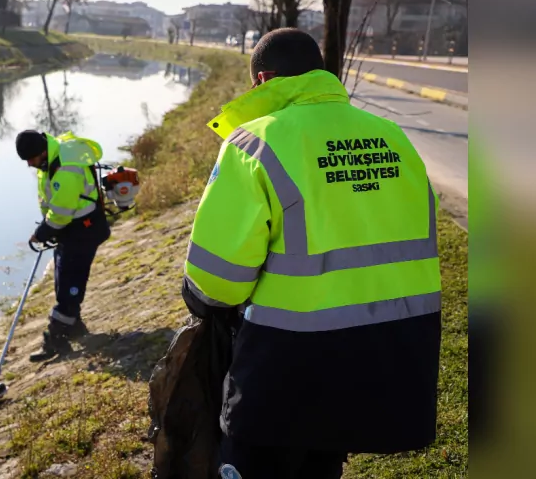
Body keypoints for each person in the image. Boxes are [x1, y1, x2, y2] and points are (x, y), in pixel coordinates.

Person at [182, 28, 443, 478]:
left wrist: (197, 297)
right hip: (387, 358)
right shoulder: (393, 138)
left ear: (263, 79)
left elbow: (218, 281)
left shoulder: (254, 143)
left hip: (285, 369)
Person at [15, 129, 111, 362]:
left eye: (32, 159)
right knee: (63, 278)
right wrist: (50, 229)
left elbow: (62, 211)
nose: (30, 164)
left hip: (84, 229)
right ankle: (75, 327)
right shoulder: (51, 158)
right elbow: (55, 205)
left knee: (69, 286)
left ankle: (56, 341)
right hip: (72, 229)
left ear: (43, 151)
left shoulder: (66, 167)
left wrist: (43, 232)